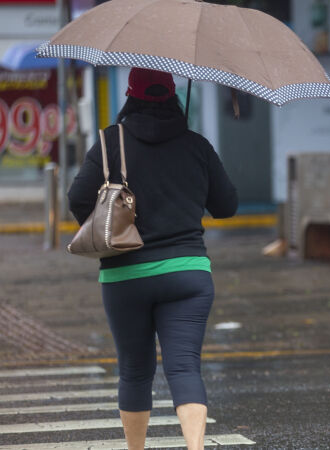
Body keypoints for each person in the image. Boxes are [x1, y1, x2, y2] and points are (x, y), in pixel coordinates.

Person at [68, 68, 238, 450]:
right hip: (188, 274)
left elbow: (78, 198)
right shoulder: (197, 145)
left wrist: (110, 225)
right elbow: (226, 206)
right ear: (173, 96)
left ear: (130, 96)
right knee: (184, 367)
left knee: (134, 371)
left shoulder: (112, 143)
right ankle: (196, 447)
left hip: (124, 274)